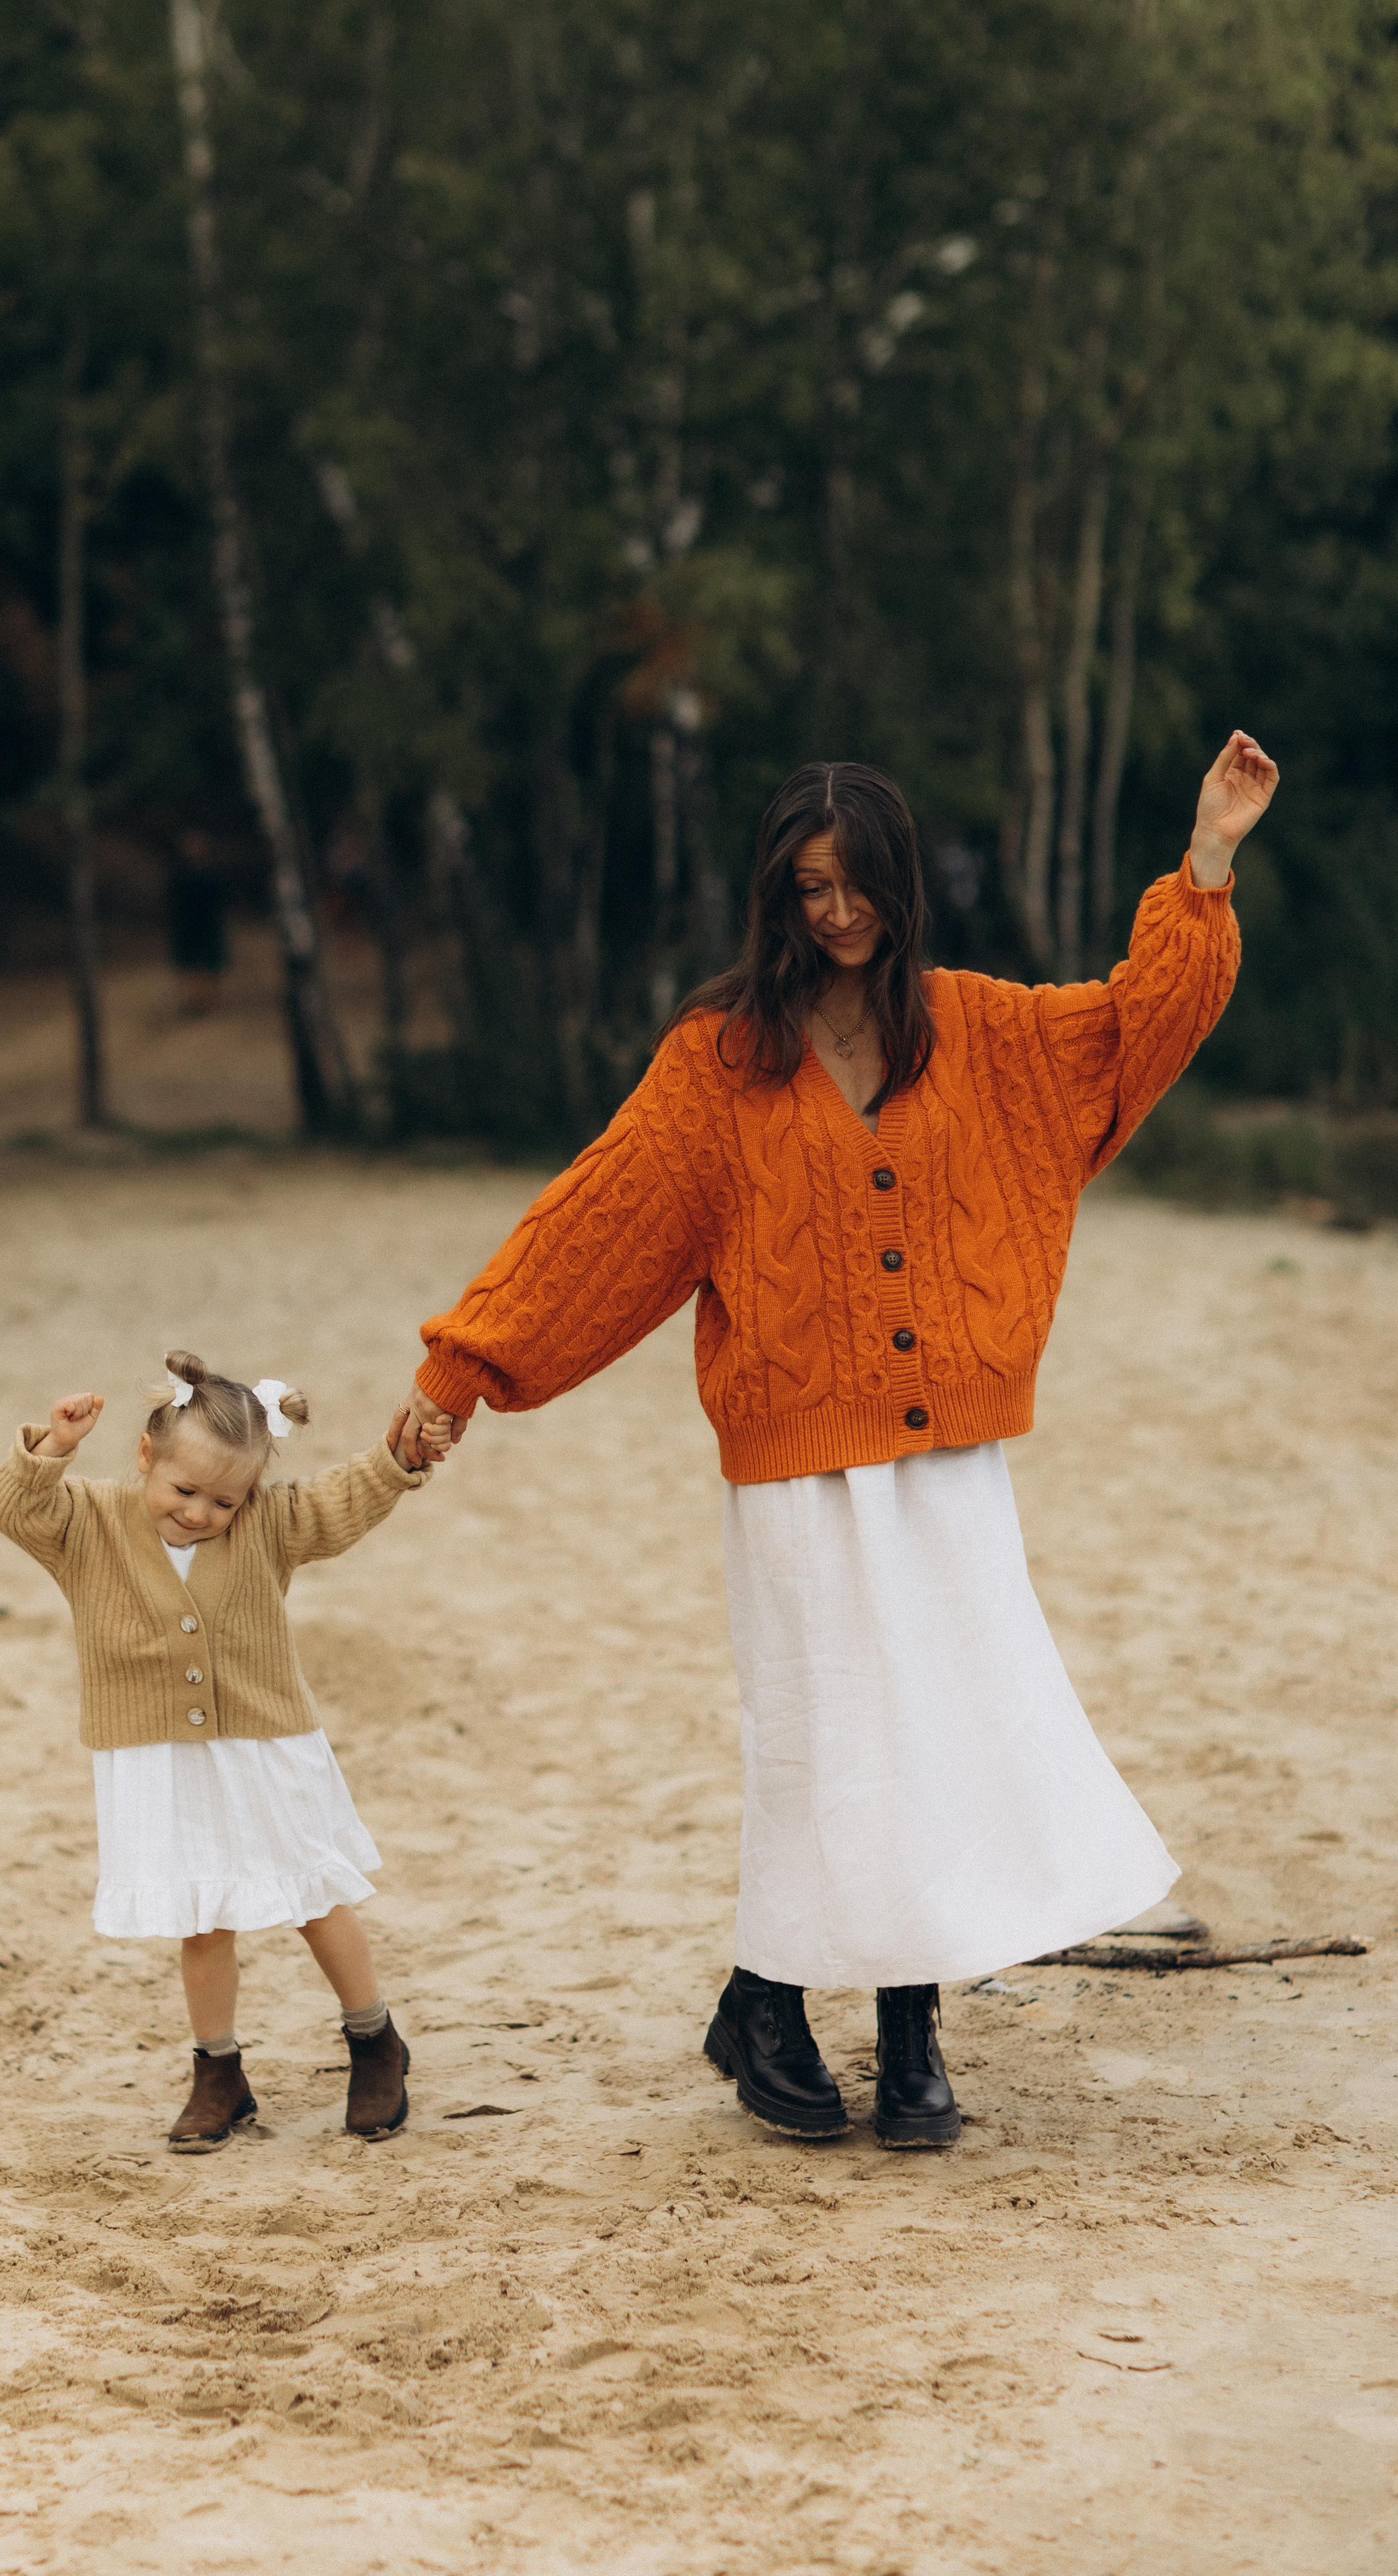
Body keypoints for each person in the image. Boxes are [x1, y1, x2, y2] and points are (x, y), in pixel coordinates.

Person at [399, 733, 1278, 2150]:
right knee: (825, 1748)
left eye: (856, 883)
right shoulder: (719, 1064)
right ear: (772, 894)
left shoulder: (980, 1034)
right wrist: (463, 1369)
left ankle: (904, 2029)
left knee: (931, 1736)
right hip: (796, 1465)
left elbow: (1138, 1029)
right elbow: (599, 1223)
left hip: (948, 1466)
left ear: (898, 886)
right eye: (806, 887)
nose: (834, 913)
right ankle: (773, 2003)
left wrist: (1206, 861)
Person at [0, 1350, 426, 2149]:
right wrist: (51, 1449)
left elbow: (339, 1504)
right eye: (183, 1491)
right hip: (154, 1755)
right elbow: (16, 1511)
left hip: (264, 1742)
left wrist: (396, 1461)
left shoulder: (267, 1523)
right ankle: (217, 2072)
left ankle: (374, 2040)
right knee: (200, 1915)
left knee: (312, 1896)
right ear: (146, 1457)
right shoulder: (85, 1520)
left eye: (224, 1501)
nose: (198, 1513)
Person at [168, 829, 230, 1016]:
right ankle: (195, 1001)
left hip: (209, 924)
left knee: (212, 965)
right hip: (186, 925)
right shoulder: (179, 875)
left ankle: (212, 1002)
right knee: (189, 966)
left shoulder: (212, 874)